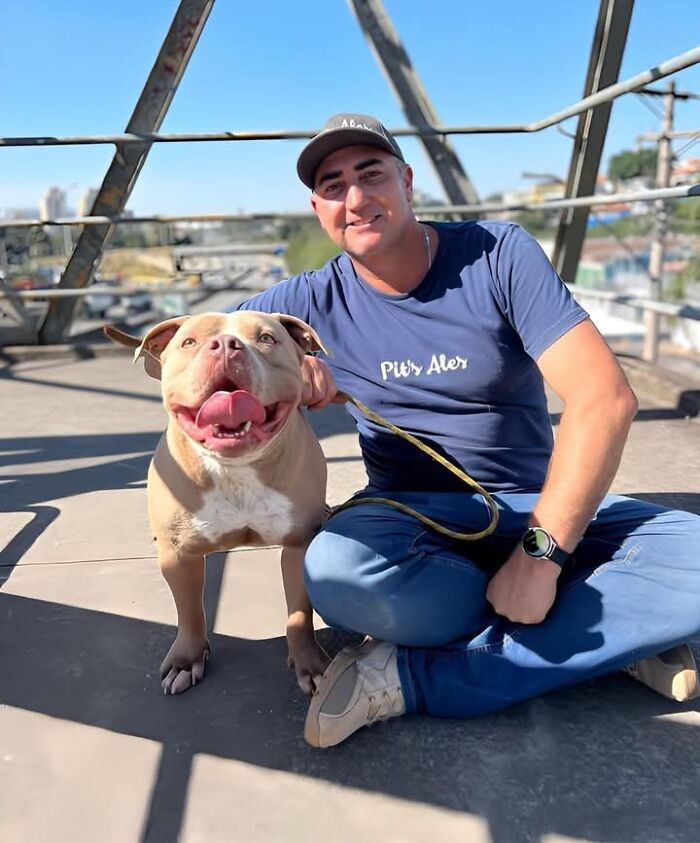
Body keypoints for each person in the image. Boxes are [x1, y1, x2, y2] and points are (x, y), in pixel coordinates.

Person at [234, 112, 700, 748]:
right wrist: (286, 371)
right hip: (410, 519)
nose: (357, 198)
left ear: (406, 181)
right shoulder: (307, 303)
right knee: (338, 573)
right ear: (318, 208)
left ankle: (415, 677)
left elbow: (605, 399)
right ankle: (608, 633)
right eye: (334, 186)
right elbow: (201, 355)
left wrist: (540, 560)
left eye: (372, 176)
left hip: (539, 508)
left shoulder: (497, 253)